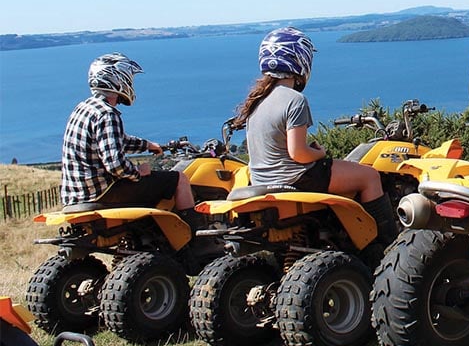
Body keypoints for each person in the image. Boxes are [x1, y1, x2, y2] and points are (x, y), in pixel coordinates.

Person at [232, 27, 397, 244]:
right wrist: (320, 153)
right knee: (370, 176)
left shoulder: (256, 102)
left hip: (262, 180)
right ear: (300, 59)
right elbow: (298, 153)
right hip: (295, 177)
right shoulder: (294, 99)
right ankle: (386, 246)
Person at [61, 53, 196, 218]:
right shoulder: (107, 114)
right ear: (118, 78)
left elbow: (113, 141)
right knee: (179, 179)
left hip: (76, 195)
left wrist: (147, 145)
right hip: (102, 193)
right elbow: (115, 165)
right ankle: (196, 239)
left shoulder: (83, 108)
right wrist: (138, 172)